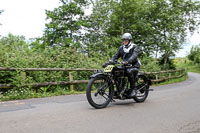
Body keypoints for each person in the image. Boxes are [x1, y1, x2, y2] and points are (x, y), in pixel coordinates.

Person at [107, 33, 141, 97]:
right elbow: (115, 56)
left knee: (129, 71)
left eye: (126, 40)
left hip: (134, 65)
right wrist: (110, 61)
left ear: (129, 40)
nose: (124, 41)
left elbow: (134, 56)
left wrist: (127, 61)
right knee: (116, 71)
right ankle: (119, 89)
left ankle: (133, 89)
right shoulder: (121, 48)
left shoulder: (134, 47)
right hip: (125, 65)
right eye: (123, 40)